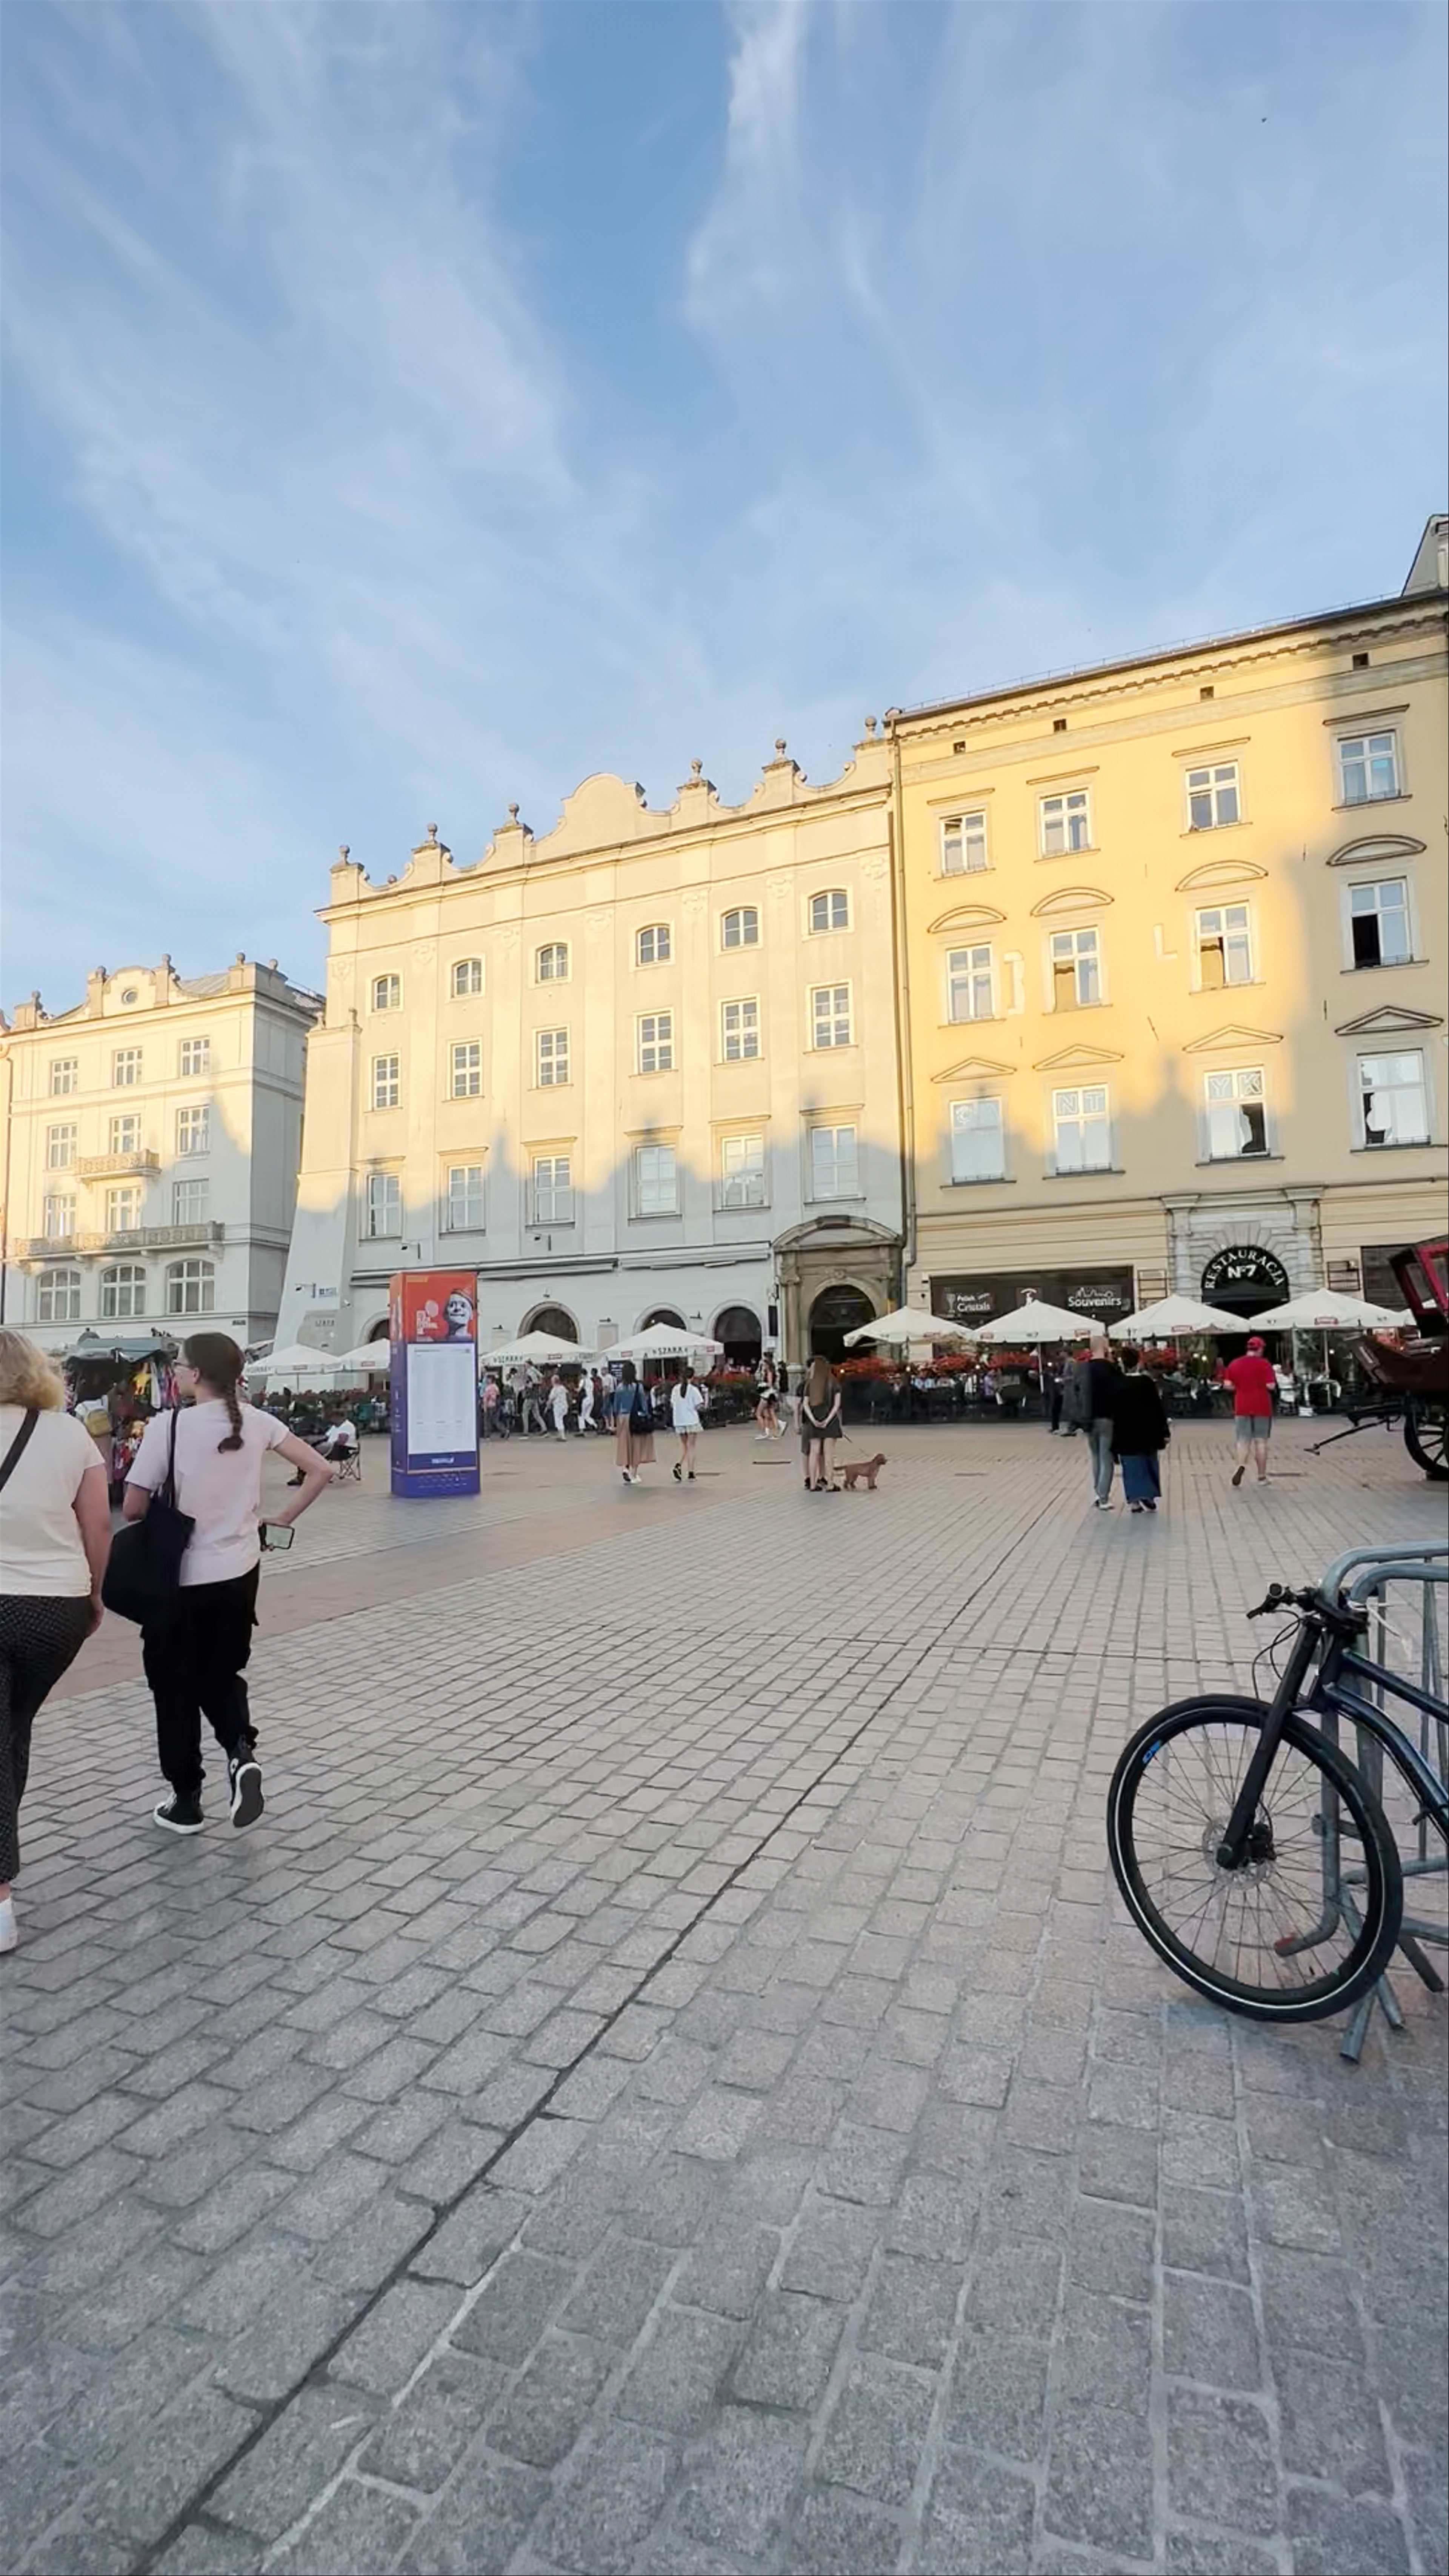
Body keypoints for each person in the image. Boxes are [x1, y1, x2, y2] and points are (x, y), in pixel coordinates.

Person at [125, 1333, 333, 1836]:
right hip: (239, 1573)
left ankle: (186, 1800)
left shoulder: (168, 1425)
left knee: (173, 1687)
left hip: (178, 1579)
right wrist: (275, 1522)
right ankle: (240, 1753)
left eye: (178, 1365)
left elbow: (132, 1507)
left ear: (196, 1373)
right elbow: (321, 1468)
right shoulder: (258, 1421)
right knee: (221, 1674)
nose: (174, 1372)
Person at [0, 1331, 113, 1955]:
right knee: (12, 1730)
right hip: (56, 1610)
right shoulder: (70, 1432)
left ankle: (0, 1902)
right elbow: (97, 1521)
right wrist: (95, 1593)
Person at [1109, 1348, 1171, 1512]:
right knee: (1149, 1462)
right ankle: (1149, 1495)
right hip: (1147, 1432)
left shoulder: (1117, 1384)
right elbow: (1158, 1409)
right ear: (1139, 1362)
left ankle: (1135, 1500)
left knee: (1131, 1467)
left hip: (1126, 1433)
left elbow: (1113, 1411)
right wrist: (1164, 1431)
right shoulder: (1147, 1383)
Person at [1221, 1334, 1278, 1487]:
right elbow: (1271, 1386)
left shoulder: (1235, 1364)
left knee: (1243, 1441)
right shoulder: (1264, 1364)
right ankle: (1261, 1477)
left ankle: (1241, 1465)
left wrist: (1239, 1388)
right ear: (1260, 1349)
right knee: (1261, 1442)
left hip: (1242, 1406)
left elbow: (1227, 1385)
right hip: (1262, 1407)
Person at [1083, 1336, 1124, 1509]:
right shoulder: (1111, 1368)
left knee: (1095, 1457)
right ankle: (1104, 1498)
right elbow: (1120, 1391)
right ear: (1106, 1347)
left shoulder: (1084, 1368)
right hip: (1107, 1417)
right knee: (1106, 1457)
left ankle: (1097, 1493)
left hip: (1088, 1418)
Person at [800, 1356, 844, 1492]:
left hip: (814, 1422)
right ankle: (830, 1484)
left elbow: (805, 1405)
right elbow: (837, 1406)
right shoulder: (834, 1383)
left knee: (814, 1452)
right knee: (829, 1454)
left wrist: (813, 1420)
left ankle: (813, 1485)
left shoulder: (810, 1384)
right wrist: (828, 1420)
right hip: (830, 1423)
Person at [609, 1360, 654, 1485]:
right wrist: (647, 1416)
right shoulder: (638, 1387)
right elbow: (643, 1404)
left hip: (622, 1419)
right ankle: (633, 1474)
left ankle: (625, 1468)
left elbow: (615, 1407)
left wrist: (615, 1422)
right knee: (636, 1446)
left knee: (626, 1446)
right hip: (634, 1418)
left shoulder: (619, 1387)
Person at [671, 1367, 707, 1482]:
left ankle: (679, 1464)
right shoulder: (693, 1390)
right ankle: (691, 1472)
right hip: (691, 1420)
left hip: (679, 1421)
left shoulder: (675, 1389)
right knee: (692, 1446)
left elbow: (672, 1404)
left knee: (684, 1446)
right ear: (692, 1377)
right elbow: (700, 1406)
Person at [1058, 1347, 1088, 1439]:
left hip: (1072, 1389)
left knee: (1073, 1408)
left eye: (1062, 1352)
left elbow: (1075, 1375)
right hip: (1068, 1388)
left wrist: (1065, 1379)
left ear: (1066, 1353)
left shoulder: (1072, 1363)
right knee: (1070, 1408)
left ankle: (1078, 1426)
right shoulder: (1068, 1363)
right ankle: (1073, 1427)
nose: (1060, 1354)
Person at [548, 1375, 570, 1439]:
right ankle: (560, 1435)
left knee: (559, 1421)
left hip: (558, 1407)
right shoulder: (563, 1387)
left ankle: (563, 1436)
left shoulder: (554, 1389)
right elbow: (568, 1393)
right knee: (560, 1420)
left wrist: (548, 1405)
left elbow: (551, 1399)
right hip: (565, 1406)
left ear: (554, 1382)